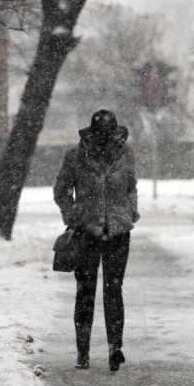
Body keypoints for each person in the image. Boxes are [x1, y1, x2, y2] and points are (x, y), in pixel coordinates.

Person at [53, 109, 140, 372]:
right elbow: (61, 190)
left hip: (117, 233)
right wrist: (73, 215)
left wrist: (129, 213)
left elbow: (131, 186)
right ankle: (83, 353)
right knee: (86, 292)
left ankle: (115, 348)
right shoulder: (76, 156)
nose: (105, 141)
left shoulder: (125, 154)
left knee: (114, 291)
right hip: (86, 233)